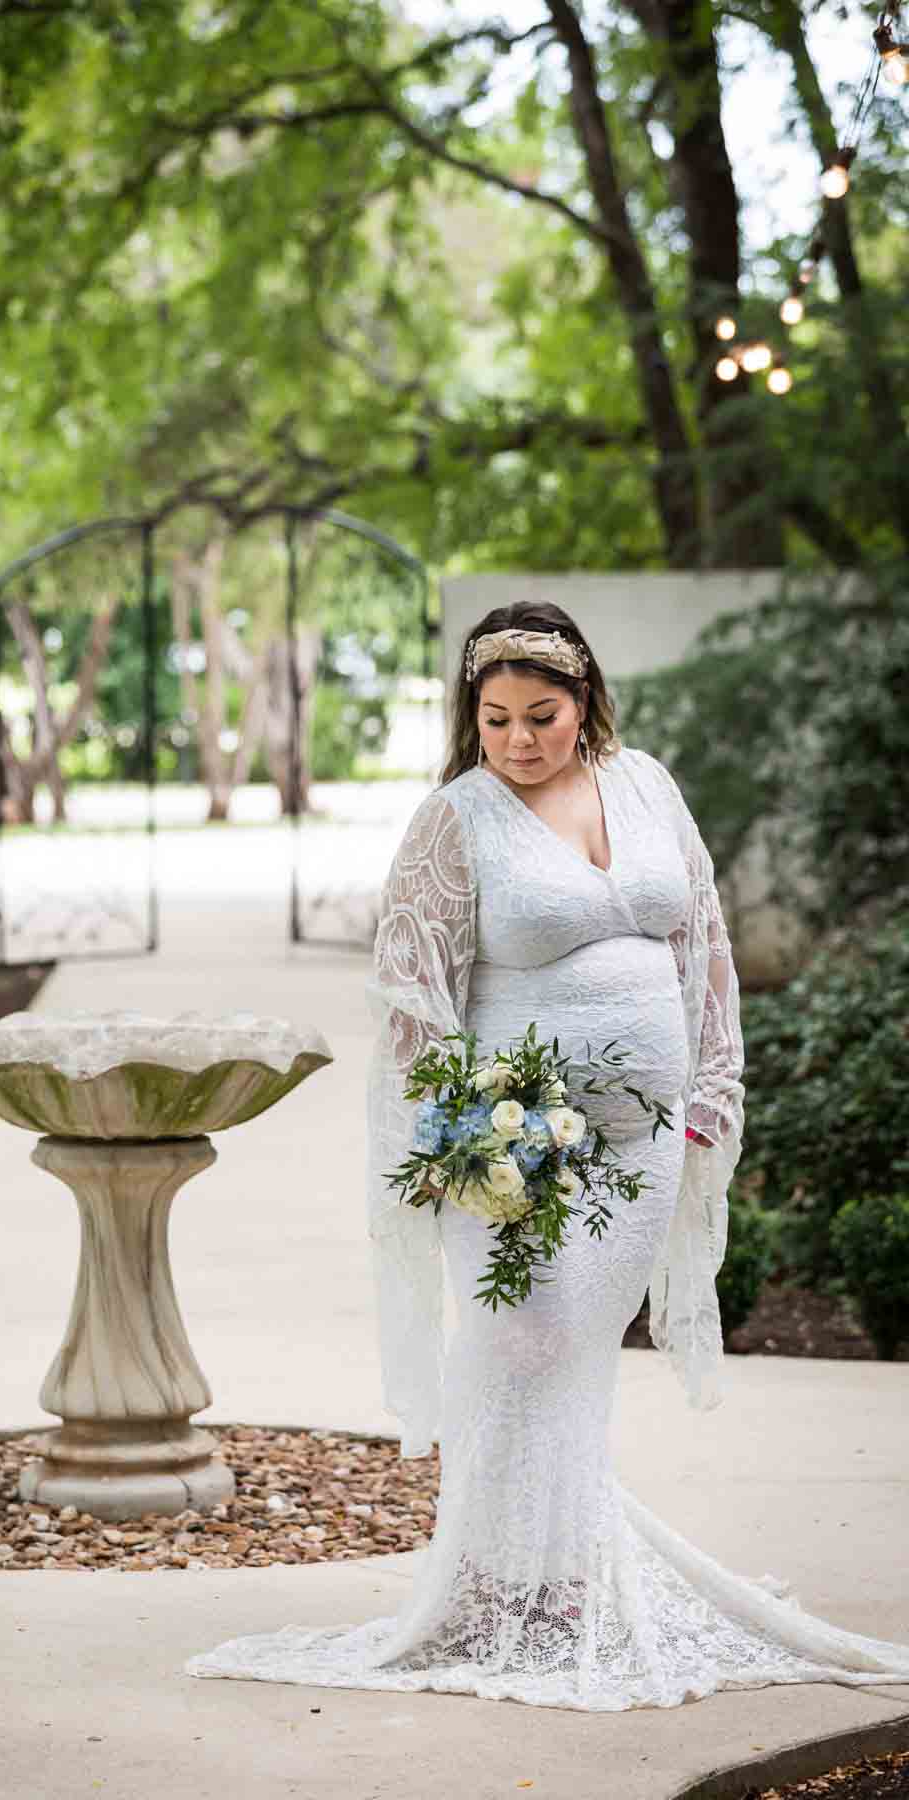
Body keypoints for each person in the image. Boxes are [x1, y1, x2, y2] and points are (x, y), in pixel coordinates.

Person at [184, 600, 909, 1707]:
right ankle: (487, 1588)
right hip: (509, 1133)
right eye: (496, 718)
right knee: (513, 1345)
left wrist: (712, 1091)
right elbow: (410, 996)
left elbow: (702, 939)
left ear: (587, 705)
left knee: (574, 1359)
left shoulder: (647, 785)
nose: (520, 741)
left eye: (543, 715)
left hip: (646, 1140)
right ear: (470, 719)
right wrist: (473, 1132)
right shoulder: (456, 820)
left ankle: (558, 1585)